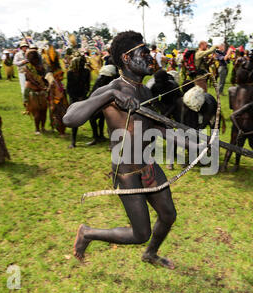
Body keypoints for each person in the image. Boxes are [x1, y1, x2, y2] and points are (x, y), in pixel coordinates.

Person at [63, 31, 177, 269]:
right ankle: (87, 233)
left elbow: (161, 130)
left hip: (149, 165)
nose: (150, 58)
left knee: (168, 215)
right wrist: (111, 94)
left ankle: (150, 255)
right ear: (126, 58)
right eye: (144, 53)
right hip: (127, 173)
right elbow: (70, 118)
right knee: (140, 233)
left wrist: (201, 145)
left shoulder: (145, 91)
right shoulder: (112, 88)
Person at [66, 55, 91, 148]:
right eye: (80, 64)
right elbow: (68, 89)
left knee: (92, 116)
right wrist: (76, 98)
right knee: (74, 119)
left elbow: (87, 86)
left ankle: (97, 136)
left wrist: (83, 96)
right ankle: (73, 142)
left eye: (82, 64)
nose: (82, 65)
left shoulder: (86, 72)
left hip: (83, 96)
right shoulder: (70, 73)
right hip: (74, 97)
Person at [23, 50, 49, 134]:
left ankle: (43, 127)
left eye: (36, 59)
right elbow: (30, 79)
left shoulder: (41, 66)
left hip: (42, 91)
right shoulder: (27, 67)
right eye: (33, 60)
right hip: (33, 91)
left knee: (44, 111)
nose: (35, 61)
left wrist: (46, 84)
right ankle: (37, 129)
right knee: (37, 112)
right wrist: (40, 86)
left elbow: (45, 77)